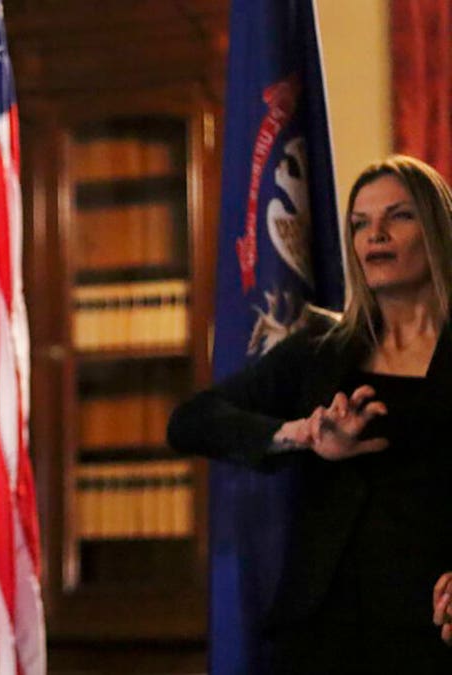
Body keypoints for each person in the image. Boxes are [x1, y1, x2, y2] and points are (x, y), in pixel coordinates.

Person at [168, 155, 452, 673]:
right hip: (322, 631)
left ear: (436, 228)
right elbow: (190, 419)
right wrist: (299, 433)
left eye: (399, 217)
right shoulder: (322, 349)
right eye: (360, 224)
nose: (376, 236)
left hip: (431, 630)